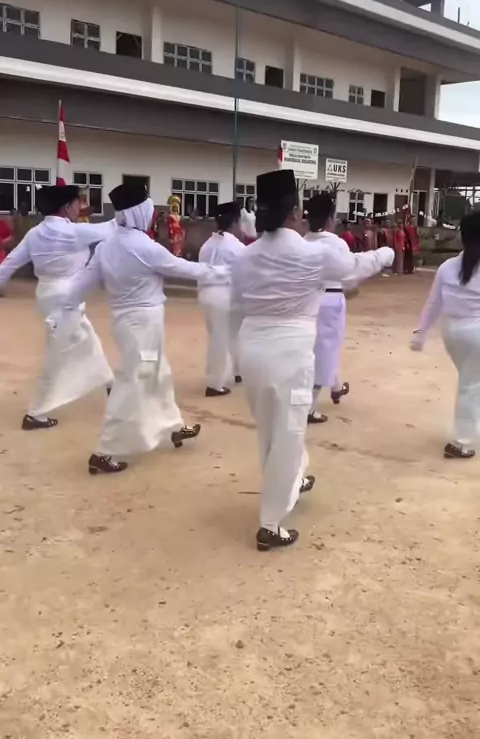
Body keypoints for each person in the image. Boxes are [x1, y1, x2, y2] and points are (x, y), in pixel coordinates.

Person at [231, 170, 394, 551]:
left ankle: (295, 479)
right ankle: (271, 523)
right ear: (295, 212)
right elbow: (356, 266)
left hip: (251, 348)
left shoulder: (246, 256)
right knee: (288, 433)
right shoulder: (313, 254)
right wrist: (386, 253)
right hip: (289, 352)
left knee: (270, 428)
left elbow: (238, 300)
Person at [62, 181, 228, 475]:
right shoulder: (144, 247)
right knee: (133, 383)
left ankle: (174, 427)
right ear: (140, 211)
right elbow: (188, 269)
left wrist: (61, 307)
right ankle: (105, 450)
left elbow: (81, 282)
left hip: (130, 324)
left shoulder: (106, 246)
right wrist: (229, 272)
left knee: (158, 375)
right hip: (142, 327)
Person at [0, 184, 114, 430]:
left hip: (49, 295)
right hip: (65, 300)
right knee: (57, 358)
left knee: (88, 340)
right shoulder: (74, 232)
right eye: (77, 203)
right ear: (66, 207)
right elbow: (111, 228)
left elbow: (9, 264)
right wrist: (133, 207)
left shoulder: (35, 233)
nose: (79, 207)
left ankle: (110, 384)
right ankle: (35, 414)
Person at [305, 192, 394, 424]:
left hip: (306, 301)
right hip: (330, 301)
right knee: (325, 351)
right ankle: (309, 407)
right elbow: (353, 270)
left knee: (319, 348)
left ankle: (335, 387)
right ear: (330, 219)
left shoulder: (303, 242)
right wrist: (383, 255)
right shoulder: (335, 244)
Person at [411, 211, 480, 459]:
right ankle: (461, 442)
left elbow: (433, 304)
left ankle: (468, 431)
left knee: (471, 382)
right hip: (476, 334)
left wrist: (420, 333)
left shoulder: (447, 267)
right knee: (471, 385)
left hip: (452, 334)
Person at [198, 201, 245, 396]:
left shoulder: (207, 245)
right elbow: (244, 274)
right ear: (235, 222)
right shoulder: (236, 246)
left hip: (206, 295)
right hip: (225, 296)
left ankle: (237, 370)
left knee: (222, 335)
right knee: (226, 337)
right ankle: (215, 383)